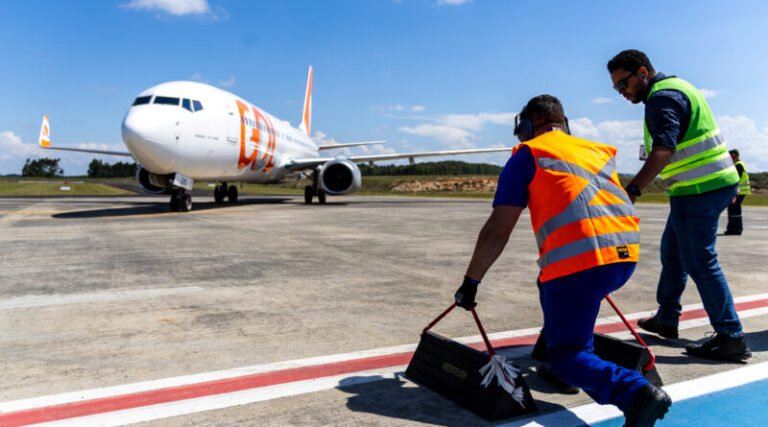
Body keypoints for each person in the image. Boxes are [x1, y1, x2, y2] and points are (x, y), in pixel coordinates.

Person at [454, 95, 671, 426]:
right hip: (624, 255)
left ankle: (634, 392)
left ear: (529, 126)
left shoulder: (528, 154)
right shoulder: (592, 151)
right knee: (549, 283)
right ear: (564, 124)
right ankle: (561, 347)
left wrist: (471, 281)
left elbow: (498, 230)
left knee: (569, 357)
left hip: (580, 263)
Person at [607, 49, 751, 363]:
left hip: (701, 187)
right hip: (701, 185)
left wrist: (632, 190)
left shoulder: (661, 98)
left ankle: (731, 336)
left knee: (699, 260)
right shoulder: (676, 86)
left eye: (623, 84)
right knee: (672, 253)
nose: (622, 92)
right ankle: (667, 317)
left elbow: (663, 149)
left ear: (642, 72)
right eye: (616, 88)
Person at [724, 149, 750, 235]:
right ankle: (734, 228)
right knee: (733, 209)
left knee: (734, 210)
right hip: (739, 191)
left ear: (734, 156)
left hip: (738, 191)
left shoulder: (738, 165)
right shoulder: (738, 164)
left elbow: (736, 178)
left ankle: (735, 229)